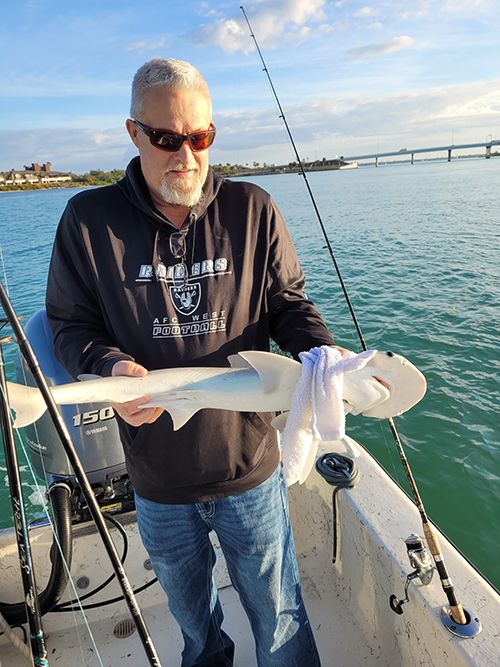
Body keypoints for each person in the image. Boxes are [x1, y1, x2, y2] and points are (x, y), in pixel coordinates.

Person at [46, 58, 338, 667]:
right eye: (166, 138)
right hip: (157, 476)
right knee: (196, 631)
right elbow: (71, 325)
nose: (186, 155)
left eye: (200, 137)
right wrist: (109, 367)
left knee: (280, 622)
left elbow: (289, 305)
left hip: (248, 466)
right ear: (134, 133)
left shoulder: (252, 209)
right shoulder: (88, 221)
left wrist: (323, 357)